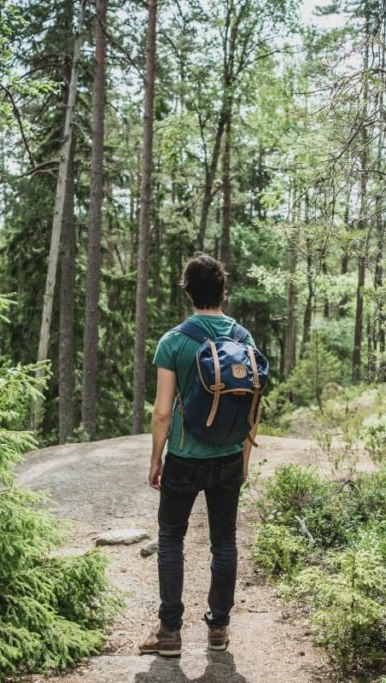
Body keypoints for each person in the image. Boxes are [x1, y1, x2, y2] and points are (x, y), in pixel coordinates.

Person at [138, 253, 260, 658]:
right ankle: (218, 630)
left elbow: (161, 411)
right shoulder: (244, 340)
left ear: (187, 291)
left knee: (172, 537)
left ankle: (170, 632)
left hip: (186, 457)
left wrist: (157, 458)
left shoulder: (174, 341)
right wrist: (244, 457)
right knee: (224, 541)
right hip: (228, 455)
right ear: (223, 291)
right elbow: (252, 407)